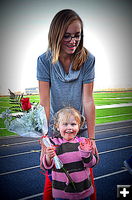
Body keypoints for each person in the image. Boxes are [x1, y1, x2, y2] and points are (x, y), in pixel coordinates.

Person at [37, 9, 98, 200]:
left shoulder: (88, 59)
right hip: (56, 131)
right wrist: (44, 138)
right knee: (53, 179)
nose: (73, 41)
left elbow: (88, 99)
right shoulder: (44, 60)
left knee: (87, 177)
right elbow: (44, 102)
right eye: (67, 36)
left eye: (77, 36)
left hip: (79, 130)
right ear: (56, 35)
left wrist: (92, 138)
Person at [40, 107, 99, 200]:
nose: (69, 128)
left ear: (79, 126)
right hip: (62, 193)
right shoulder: (52, 143)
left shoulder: (83, 142)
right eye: (65, 124)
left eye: (73, 124)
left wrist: (86, 153)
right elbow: (45, 166)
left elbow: (92, 164)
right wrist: (48, 157)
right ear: (57, 126)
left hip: (83, 191)